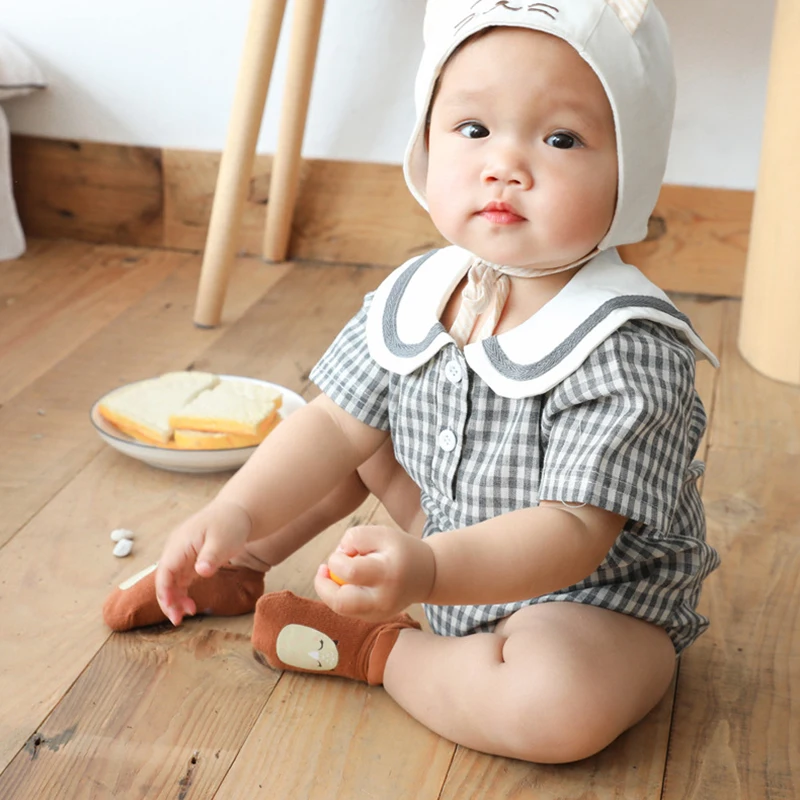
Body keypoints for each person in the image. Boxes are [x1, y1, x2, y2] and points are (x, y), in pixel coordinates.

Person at [103, 0, 721, 763]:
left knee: (560, 704)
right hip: (445, 530)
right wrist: (232, 511)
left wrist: (425, 570)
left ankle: (378, 651)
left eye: (560, 138)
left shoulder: (625, 343)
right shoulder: (421, 292)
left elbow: (572, 535)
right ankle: (238, 564)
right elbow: (331, 428)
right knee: (353, 431)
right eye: (473, 130)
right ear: (427, 141)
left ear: (632, 169)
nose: (505, 165)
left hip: (585, 596)